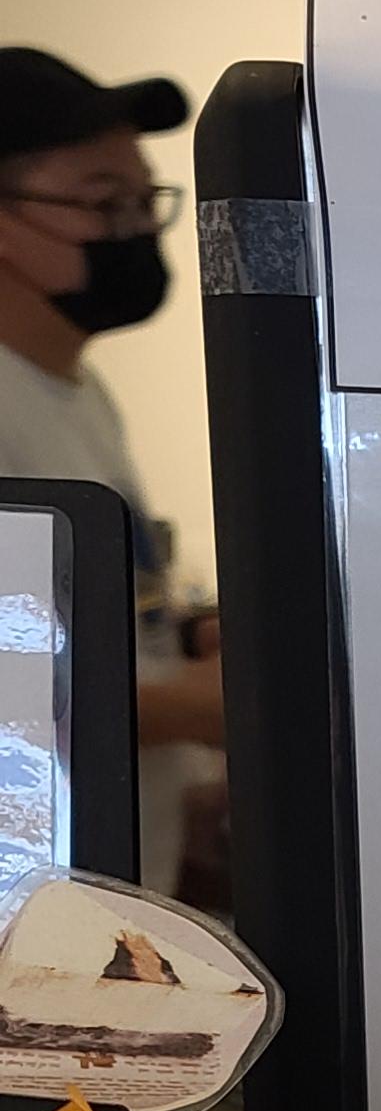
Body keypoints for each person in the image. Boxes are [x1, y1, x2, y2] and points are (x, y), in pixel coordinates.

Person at [0, 49, 223, 884]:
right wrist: (191, 709)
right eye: (102, 202)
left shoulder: (77, 388)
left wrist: (181, 635)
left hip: (101, 893)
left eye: (143, 199)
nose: (135, 229)